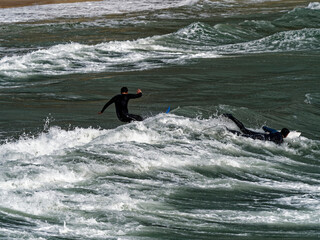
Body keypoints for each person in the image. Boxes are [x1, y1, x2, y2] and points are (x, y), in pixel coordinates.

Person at [223, 113, 290, 145]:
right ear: (286, 135)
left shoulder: (274, 131)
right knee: (241, 135)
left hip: (259, 134)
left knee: (243, 129)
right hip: (260, 138)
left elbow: (264, 128)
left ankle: (230, 117)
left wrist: (267, 132)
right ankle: (226, 130)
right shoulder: (281, 140)